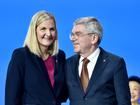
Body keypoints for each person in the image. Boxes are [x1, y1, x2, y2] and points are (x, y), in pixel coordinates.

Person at [5, 10, 68, 105]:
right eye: (43, 29)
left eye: (52, 29)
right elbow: (11, 98)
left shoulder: (60, 56)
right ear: (34, 31)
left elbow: (63, 94)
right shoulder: (21, 56)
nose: (48, 33)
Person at [65, 17, 131, 105]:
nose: (72, 38)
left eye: (78, 34)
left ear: (94, 38)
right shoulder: (68, 64)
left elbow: (123, 101)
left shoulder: (115, 63)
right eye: (72, 34)